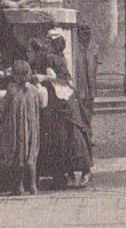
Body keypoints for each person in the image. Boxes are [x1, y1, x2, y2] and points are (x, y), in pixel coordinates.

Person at [35, 32, 93, 188]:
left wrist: (44, 77)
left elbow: (59, 78)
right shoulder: (57, 58)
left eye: (49, 42)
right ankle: (64, 173)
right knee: (61, 136)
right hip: (61, 97)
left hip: (63, 97)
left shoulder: (52, 59)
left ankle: (84, 170)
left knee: (71, 134)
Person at [0, 59, 48, 195]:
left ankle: (19, 186)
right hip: (32, 129)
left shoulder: (12, 90)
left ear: (14, 76)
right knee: (31, 157)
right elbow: (41, 104)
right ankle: (33, 186)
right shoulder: (33, 90)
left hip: (16, 129)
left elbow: (2, 107)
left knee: (18, 157)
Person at [74, 23, 98, 120]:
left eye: (88, 34)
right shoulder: (75, 50)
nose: (86, 36)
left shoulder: (93, 50)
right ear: (79, 36)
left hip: (90, 88)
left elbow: (93, 69)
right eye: (83, 34)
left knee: (89, 111)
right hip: (79, 88)